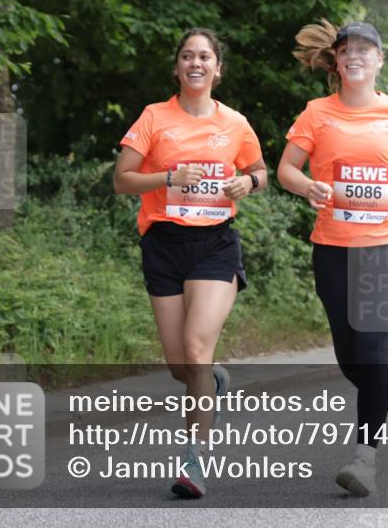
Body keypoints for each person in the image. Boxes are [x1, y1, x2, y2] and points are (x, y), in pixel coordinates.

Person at [277, 19, 388, 496]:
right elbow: (287, 169)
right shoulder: (316, 113)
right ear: (337, 61)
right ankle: (377, 392)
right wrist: (308, 185)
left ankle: (364, 459)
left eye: (364, 49)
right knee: (351, 358)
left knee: (372, 351)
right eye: (346, 50)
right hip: (333, 248)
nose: (355, 56)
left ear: (379, 60)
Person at [113, 28, 267, 499]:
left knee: (197, 349)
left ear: (218, 69)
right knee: (182, 367)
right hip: (163, 244)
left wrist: (249, 184)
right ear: (177, 67)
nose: (195, 63)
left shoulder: (235, 123)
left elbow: (260, 171)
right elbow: (122, 180)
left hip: (215, 245)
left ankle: (193, 462)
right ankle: (213, 381)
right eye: (187, 56)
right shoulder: (154, 117)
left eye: (204, 57)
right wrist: (169, 177)